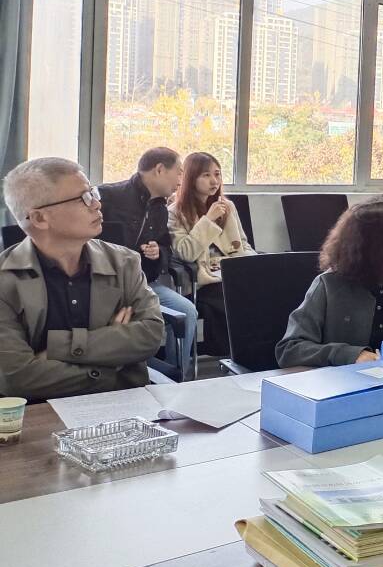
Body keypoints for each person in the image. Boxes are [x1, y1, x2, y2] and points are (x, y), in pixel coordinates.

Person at [0, 158, 164, 400]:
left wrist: (59, 347)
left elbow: (152, 334)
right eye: (83, 198)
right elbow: (17, 378)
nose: (97, 204)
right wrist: (112, 364)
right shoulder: (5, 280)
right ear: (39, 218)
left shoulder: (124, 262)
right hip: (39, 413)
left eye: (93, 193)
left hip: (124, 406)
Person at [277, 197, 383, 368]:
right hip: (347, 380)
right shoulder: (329, 284)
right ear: (378, 244)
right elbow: (289, 349)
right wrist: (350, 355)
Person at [99, 147, 200, 378]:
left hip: (145, 284)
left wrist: (158, 252)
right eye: (179, 172)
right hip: (108, 286)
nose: (181, 180)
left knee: (187, 310)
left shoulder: (160, 209)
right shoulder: (108, 197)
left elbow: (166, 247)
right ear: (160, 169)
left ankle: (176, 377)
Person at [168, 152, 253, 358]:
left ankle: (258, 355)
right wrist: (208, 219)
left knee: (268, 291)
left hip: (232, 273)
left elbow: (242, 244)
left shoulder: (228, 206)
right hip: (202, 281)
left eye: (217, 174)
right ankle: (233, 356)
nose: (214, 181)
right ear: (191, 178)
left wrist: (254, 263)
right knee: (227, 299)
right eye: (206, 175)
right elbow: (186, 253)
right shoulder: (175, 212)